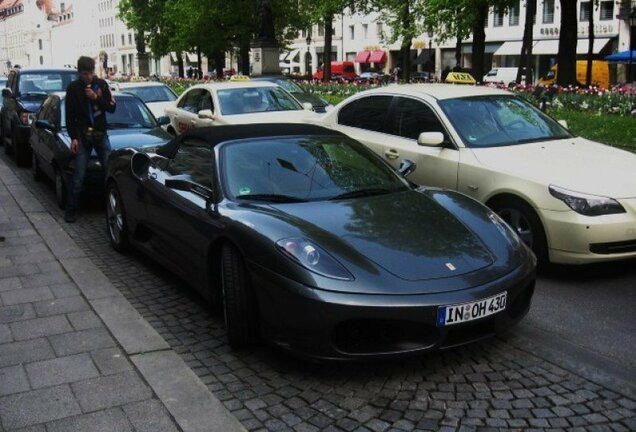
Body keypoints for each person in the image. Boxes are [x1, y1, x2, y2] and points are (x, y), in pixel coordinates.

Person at [64, 56, 116, 223]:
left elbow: (111, 107)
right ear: (80, 73)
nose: (89, 76)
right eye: (86, 73)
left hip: (100, 133)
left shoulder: (101, 85)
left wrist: (96, 98)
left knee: (110, 171)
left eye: (92, 72)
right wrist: (73, 137)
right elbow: (70, 115)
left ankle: (111, 206)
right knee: (78, 175)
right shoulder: (73, 88)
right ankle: (71, 210)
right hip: (83, 134)